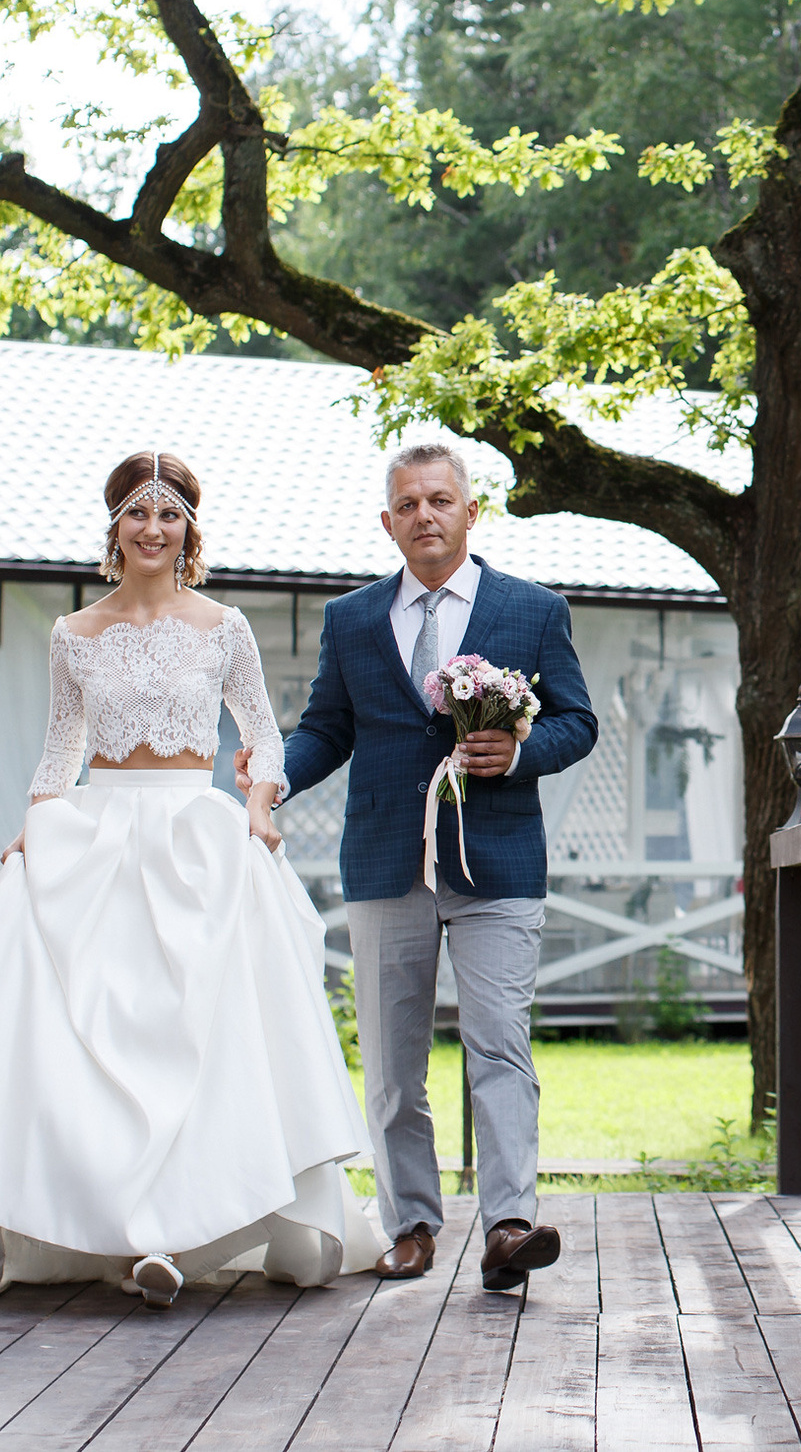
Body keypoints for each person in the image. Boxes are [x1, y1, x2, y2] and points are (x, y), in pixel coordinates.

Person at [0, 452, 379, 1307]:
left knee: (201, 1043)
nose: (154, 529)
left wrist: (259, 804)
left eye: (169, 514)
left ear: (189, 529)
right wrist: (32, 828)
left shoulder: (224, 627)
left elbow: (265, 735)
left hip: (196, 837)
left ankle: (186, 1233)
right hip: (98, 838)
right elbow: (59, 750)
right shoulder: (73, 634)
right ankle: (108, 1231)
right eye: (139, 514)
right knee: (84, 1034)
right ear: (115, 528)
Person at [243, 442, 595, 1290]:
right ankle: (410, 1225)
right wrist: (273, 774)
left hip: (497, 863)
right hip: (384, 864)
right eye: (408, 504)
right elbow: (327, 727)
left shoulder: (533, 610)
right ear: (388, 521)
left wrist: (514, 752)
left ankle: (510, 1225)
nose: (425, 516)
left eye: (441, 500)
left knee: (499, 1048)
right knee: (395, 1064)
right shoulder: (353, 619)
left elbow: (576, 722)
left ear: (472, 513)